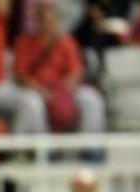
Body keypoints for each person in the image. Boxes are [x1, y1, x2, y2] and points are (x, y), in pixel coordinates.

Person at [12, 3, 107, 135]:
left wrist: (63, 89)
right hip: (37, 89)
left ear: (57, 21)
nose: (48, 24)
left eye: (52, 20)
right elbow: (21, 75)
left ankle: (91, 148)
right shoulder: (25, 43)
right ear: (38, 21)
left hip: (63, 89)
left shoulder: (67, 42)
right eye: (44, 20)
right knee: (32, 103)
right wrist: (41, 91)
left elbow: (75, 71)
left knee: (91, 98)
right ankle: (43, 151)